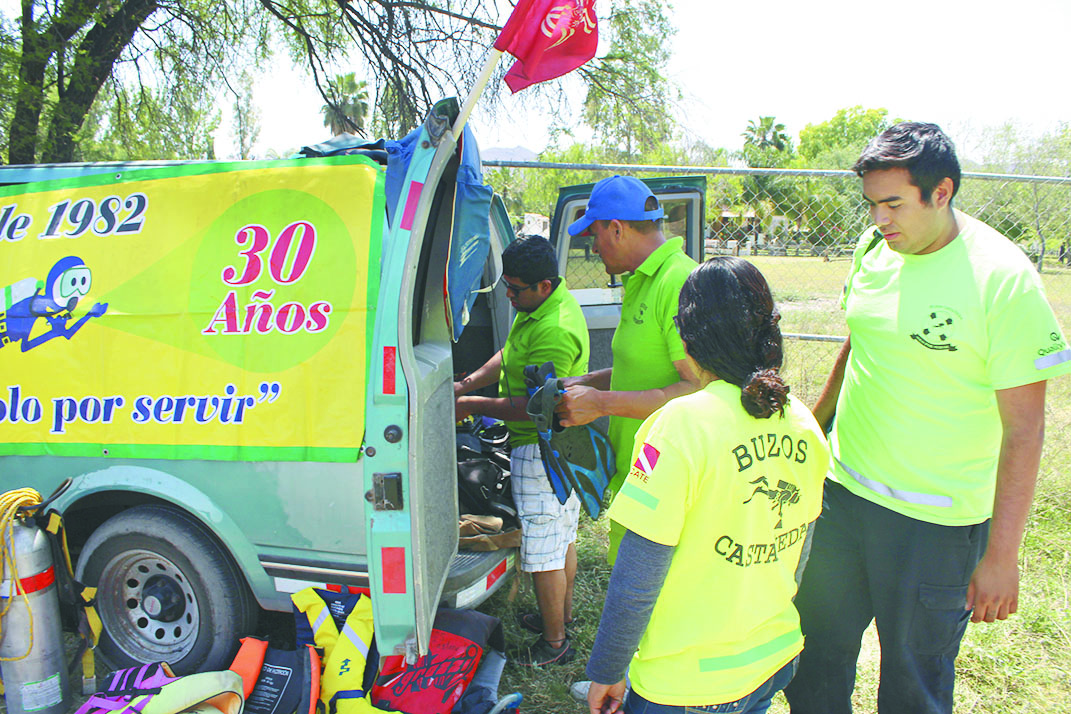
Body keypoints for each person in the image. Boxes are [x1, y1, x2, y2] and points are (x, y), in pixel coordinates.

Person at [784, 122, 1071, 713]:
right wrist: (815, 425)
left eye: (893, 204)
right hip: (844, 497)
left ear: (941, 192)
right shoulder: (874, 250)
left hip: (937, 524)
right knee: (814, 656)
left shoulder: (1003, 279)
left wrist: (1002, 557)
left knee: (914, 683)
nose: (879, 220)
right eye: (870, 205)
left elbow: (1026, 430)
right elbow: (860, 339)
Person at [585, 257, 830, 714]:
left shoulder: (679, 425)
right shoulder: (801, 419)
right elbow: (801, 553)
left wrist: (607, 669)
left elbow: (637, 577)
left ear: (686, 335)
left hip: (684, 684)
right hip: (768, 659)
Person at [454, 236, 588, 666]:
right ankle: (561, 618)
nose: (508, 297)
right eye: (505, 287)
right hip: (558, 448)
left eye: (515, 289)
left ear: (544, 285)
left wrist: (469, 404)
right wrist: (468, 383)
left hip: (543, 448)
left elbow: (535, 409)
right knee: (562, 537)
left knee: (545, 554)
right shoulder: (538, 309)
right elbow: (509, 354)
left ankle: (554, 646)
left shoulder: (554, 328)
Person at [558, 175, 703, 563]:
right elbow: (642, 370)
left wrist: (602, 404)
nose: (593, 245)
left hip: (664, 478)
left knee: (643, 602)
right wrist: (587, 382)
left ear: (617, 229)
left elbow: (697, 389)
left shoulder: (677, 282)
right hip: (638, 470)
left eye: (594, 234)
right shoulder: (640, 281)